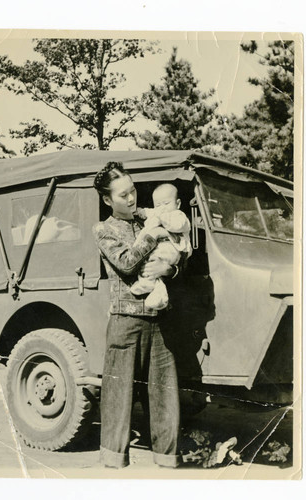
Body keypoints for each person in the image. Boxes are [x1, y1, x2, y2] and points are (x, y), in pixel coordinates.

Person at [93, 162, 182, 469]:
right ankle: (114, 466)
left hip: (159, 320)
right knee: (118, 397)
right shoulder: (103, 230)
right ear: (108, 200)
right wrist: (153, 232)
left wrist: (170, 268)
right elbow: (128, 263)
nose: (131, 199)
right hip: (125, 322)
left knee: (165, 395)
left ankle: (168, 462)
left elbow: (178, 251)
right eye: (122, 195)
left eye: (132, 191)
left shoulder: (148, 216)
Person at [130, 183, 192, 310]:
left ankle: (153, 288)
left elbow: (177, 225)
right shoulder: (157, 212)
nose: (162, 208)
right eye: (158, 205)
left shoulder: (178, 216)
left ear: (178, 203)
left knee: (154, 261)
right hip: (159, 250)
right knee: (148, 264)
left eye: (166, 203)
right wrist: (141, 211)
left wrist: (161, 220)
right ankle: (149, 286)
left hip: (172, 249)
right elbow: (149, 211)